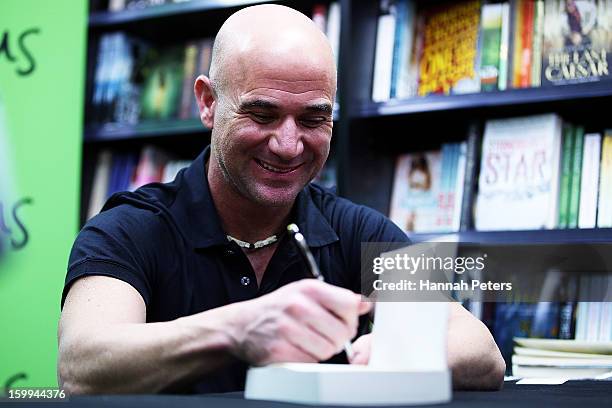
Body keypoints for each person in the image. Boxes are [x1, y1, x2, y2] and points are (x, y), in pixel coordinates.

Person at [58, 4, 505, 394]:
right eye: (262, 113)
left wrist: (396, 357)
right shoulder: (129, 228)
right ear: (208, 102)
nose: (288, 144)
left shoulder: (361, 230)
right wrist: (238, 329)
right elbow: (82, 365)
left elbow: (481, 352)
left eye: (313, 119)